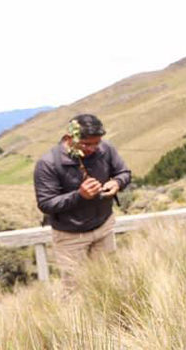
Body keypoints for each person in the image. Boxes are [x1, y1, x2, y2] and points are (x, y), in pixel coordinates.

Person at [33, 114, 131, 286]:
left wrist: (117, 182)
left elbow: (124, 172)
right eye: (86, 144)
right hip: (70, 236)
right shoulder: (48, 163)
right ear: (70, 138)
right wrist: (79, 196)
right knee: (75, 288)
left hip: (104, 228)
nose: (93, 148)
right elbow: (46, 203)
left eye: (96, 143)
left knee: (107, 280)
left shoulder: (106, 149)